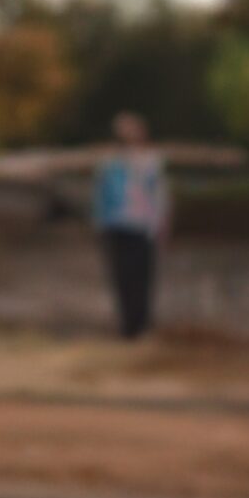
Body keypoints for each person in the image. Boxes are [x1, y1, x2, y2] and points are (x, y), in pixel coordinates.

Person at [93, 111, 169, 341]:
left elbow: (160, 195)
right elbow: (101, 195)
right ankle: (128, 328)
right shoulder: (109, 163)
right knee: (122, 278)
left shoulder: (151, 161)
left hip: (142, 227)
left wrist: (160, 224)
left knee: (142, 277)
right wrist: (99, 222)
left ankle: (142, 326)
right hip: (117, 225)